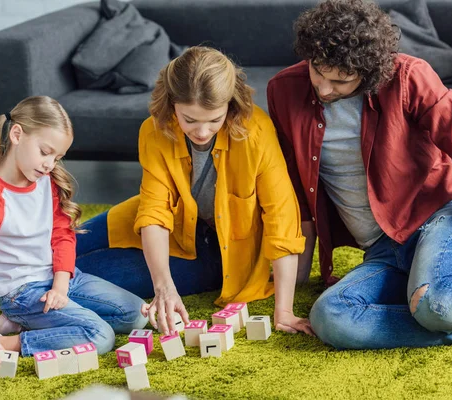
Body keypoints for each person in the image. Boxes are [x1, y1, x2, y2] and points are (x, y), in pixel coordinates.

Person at [267, 0, 452, 351]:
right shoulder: (283, 90)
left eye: (340, 80)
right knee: (330, 317)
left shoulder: (409, 76)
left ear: (369, 73)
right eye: (317, 72)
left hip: (439, 219)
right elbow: (297, 191)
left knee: (437, 307)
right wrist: (297, 270)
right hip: (381, 247)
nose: (323, 88)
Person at [75, 46, 312, 337]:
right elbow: (154, 213)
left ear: (230, 105)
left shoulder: (257, 132)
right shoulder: (154, 130)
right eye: (190, 120)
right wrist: (164, 287)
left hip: (219, 253)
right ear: (172, 104)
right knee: (59, 247)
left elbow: (282, 218)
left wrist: (284, 310)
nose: (202, 132)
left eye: (214, 120)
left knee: (76, 273)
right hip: (168, 225)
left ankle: (31, 304)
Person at [0, 96, 148, 374]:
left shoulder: (48, 181)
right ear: (17, 134)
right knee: (100, 335)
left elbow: (63, 236)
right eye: (45, 152)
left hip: (62, 279)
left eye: (57, 157)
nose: (49, 164)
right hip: (22, 292)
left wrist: (60, 285)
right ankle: (7, 341)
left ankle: (36, 321)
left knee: (135, 314)